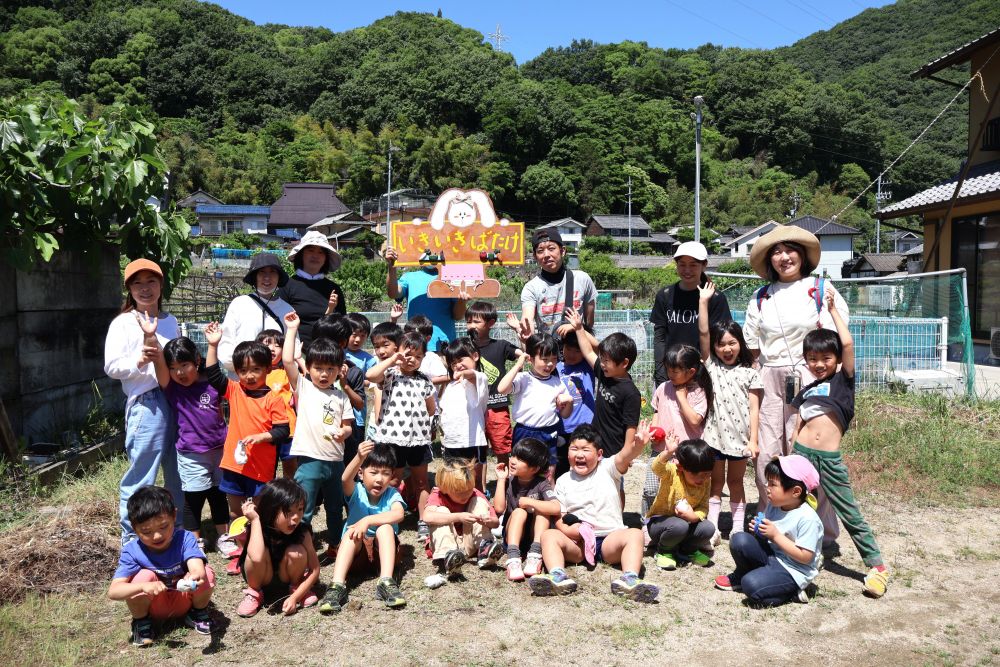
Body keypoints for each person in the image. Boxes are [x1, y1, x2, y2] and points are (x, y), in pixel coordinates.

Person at [742, 225, 849, 540]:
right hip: (770, 375)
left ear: (802, 255)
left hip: (810, 375)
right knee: (768, 452)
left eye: (789, 250)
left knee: (805, 452)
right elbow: (752, 342)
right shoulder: (761, 295)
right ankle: (771, 520)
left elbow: (837, 338)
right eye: (776, 252)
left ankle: (816, 529)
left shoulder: (820, 288)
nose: (783, 257)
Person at [791, 291, 891, 598]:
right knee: (795, 509)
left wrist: (833, 311)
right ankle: (795, 556)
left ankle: (877, 568)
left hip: (828, 459)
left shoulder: (843, 381)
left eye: (825, 358)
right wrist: (791, 456)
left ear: (836, 360)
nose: (819, 364)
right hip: (802, 456)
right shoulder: (807, 388)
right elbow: (799, 423)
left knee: (848, 511)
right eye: (813, 359)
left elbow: (847, 343)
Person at [527, 424, 658, 602]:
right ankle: (557, 576)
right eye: (574, 449)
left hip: (609, 540)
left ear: (599, 454)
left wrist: (639, 445)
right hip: (578, 543)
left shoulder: (608, 468)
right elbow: (559, 516)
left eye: (586, 450)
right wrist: (570, 531)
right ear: (568, 454)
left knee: (635, 534)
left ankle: (630, 579)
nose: (579, 454)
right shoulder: (563, 480)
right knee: (549, 535)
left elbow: (627, 455)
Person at [105, 259, 183, 544]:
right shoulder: (123, 323)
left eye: (151, 281)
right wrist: (139, 360)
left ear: (161, 286)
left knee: (178, 469)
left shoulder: (170, 321)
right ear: (129, 289)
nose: (145, 288)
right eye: (137, 283)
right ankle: (132, 536)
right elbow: (111, 366)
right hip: (147, 402)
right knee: (143, 473)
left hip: (176, 398)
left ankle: (177, 528)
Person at [204, 322, 290, 576]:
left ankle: (262, 550)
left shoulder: (273, 398)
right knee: (235, 510)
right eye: (243, 370)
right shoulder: (235, 390)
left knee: (259, 512)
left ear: (268, 368)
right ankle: (239, 551)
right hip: (234, 464)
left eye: (256, 369)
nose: (249, 375)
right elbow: (212, 374)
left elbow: (282, 431)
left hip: (260, 469)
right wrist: (213, 344)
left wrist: (263, 437)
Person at [137, 318, 229, 551]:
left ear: (197, 362)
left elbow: (212, 367)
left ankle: (224, 537)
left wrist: (213, 345)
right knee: (194, 499)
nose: (180, 372)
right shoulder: (173, 388)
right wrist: (150, 336)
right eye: (174, 368)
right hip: (191, 453)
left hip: (220, 449)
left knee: (219, 495)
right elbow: (158, 362)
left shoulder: (212, 382)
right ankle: (193, 541)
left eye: (185, 365)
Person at [282, 312, 354, 563]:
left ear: (338, 370)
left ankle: (335, 545)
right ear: (309, 368)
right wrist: (292, 329)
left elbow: (348, 428)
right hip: (309, 460)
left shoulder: (341, 397)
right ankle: (298, 546)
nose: (324, 374)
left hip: (335, 461)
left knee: (335, 507)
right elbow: (288, 361)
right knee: (304, 509)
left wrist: (343, 432)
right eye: (318, 368)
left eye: (330, 369)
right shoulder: (304, 388)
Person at [107, 486, 217, 646]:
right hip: (155, 606)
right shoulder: (132, 551)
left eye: (163, 527)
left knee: (207, 571)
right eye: (146, 531)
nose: (157, 536)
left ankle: (197, 612)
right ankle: (142, 623)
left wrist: (195, 575)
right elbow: (114, 592)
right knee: (143, 577)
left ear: (174, 515)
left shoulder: (185, 538)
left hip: (184, 598)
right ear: (134, 528)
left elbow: (196, 566)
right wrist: (143, 587)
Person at [697, 282, 763, 544]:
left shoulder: (750, 373)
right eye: (721, 344)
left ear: (740, 344)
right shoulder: (710, 368)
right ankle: (712, 528)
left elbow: (754, 409)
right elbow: (703, 333)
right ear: (714, 348)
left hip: (739, 439)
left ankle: (737, 527)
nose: (726, 349)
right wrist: (703, 302)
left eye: (732, 343)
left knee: (736, 483)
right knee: (715, 484)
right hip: (713, 436)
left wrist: (753, 439)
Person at [714, 456, 823, 607]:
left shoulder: (808, 519)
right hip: (773, 556)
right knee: (740, 540)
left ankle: (791, 591)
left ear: (796, 491)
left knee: (751, 586)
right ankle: (742, 574)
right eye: (767, 482)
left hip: (793, 569)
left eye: (773, 484)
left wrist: (775, 535)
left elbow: (805, 557)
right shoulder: (775, 504)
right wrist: (759, 531)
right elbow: (767, 537)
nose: (767, 487)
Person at [367, 331, 437, 542]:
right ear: (398, 352)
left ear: (423, 358)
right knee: (393, 479)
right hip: (392, 438)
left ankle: (423, 520)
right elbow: (370, 376)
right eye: (407, 354)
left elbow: (431, 408)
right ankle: (386, 516)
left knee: (421, 481)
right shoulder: (390, 374)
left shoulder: (425, 380)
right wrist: (391, 360)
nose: (411, 360)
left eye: (417, 356)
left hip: (418, 439)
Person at [321, 441, 407, 613]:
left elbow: (399, 514)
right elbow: (345, 478)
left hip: (383, 556)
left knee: (385, 528)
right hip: (356, 556)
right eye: (373, 472)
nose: (379, 479)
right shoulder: (356, 492)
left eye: (385, 474)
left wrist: (368, 520)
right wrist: (359, 457)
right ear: (361, 473)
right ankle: (337, 586)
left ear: (391, 477)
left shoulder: (392, 495)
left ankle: (386, 581)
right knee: (352, 533)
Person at [642, 344, 712, 517]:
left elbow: (695, 421)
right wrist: (654, 430)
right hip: (661, 450)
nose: (670, 375)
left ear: (691, 371)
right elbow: (657, 411)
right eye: (668, 370)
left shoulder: (699, 392)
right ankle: (647, 521)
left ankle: (679, 523)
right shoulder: (663, 388)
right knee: (650, 489)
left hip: (686, 455)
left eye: (675, 371)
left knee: (680, 493)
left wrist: (681, 397)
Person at [650, 241, 731, 388]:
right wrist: (662, 373)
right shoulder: (665, 295)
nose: (687, 270)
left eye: (693, 265)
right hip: (672, 371)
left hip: (703, 373)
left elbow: (721, 338)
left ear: (704, 265)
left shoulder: (716, 298)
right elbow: (659, 338)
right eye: (682, 264)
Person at [564, 309, 641, 460]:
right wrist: (579, 328)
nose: (603, 364)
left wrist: (625, 457)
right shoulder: (605, 373)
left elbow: (631, 428)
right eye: (602, 359)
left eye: (607, 360)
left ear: (624, 363)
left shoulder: (631, 393)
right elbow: (587, 352)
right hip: (595, 445)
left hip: (613, 452)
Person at [237, 478, 320, 617]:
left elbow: (315, 569)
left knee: (297, 552)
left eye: (300, 509)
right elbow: (256, 557)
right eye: (289, 511)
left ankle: (296, 587)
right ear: (271, 509)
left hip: (288, 577)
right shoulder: (258, 528)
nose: (296, 517)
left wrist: (296, 597)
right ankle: (255, 593)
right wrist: (255, 520)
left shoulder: (302, 532)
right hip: (261, 578)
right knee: (259, 551)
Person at [497, 333, 573, 480]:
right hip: (525, 432)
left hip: (549, 432)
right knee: (519, 473)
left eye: (554, 359)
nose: (550, 364)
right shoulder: (524, 378)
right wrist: (518, 365)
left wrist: (568, 402)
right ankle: (516, 501)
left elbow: (565, 414)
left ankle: (550, 501)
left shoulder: (557, 382)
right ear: (530, 359)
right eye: (544, 359)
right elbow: (502, 388)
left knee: (548, 474)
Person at [423, 458, 502, 585]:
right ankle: (448, 560)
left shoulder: (475, 494)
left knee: (479, 502)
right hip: (447, 544)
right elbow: (427, 517)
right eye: (460, 492)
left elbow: (496, 523)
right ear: (444, 489)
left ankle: (485, 549)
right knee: (441, 511)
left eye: (469, 489)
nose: (466, 494)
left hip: (469, 544)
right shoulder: (438, 495)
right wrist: (458, 517)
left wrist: (488, 521)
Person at [492, 438, 560, 582]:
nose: (513, 460)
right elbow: (498, 508)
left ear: (534, 469)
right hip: (512, 536)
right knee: (519, 512)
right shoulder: (510, 481)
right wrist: (501, 480)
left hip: (534, 536)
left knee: (543, 510)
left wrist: (531, 502)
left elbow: (556, 507)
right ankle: (513, 558)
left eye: (520, 459)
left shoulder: (541, 483)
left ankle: (535, 555)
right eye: (514, 455)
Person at [464, 301, 521, 466]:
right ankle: (480, 489)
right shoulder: (465, 347)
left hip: (497, 407)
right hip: (473, 407)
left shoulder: (501, 345)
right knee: (476, 452)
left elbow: (525, 354)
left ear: (491, 323)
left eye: (476, 321)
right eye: (468, 321)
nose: (471, 326)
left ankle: (504, 483)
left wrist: (518, 331)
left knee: (502, 449)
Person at [646, 438, 716, 570]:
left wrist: (694, 517)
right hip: (660, 524)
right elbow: (656, 467)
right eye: (696, 474)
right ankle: (664, 551)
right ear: (681, 467)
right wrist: (668, 452)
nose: (702, 478)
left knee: (708, 528)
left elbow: (703, 506)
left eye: (707, 474)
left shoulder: (706, 481)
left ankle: (687, 550)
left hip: (686, 524)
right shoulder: (672, 472)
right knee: (679, 525)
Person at [218, 253, 294, 373]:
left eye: (273, 272)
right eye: (262, 272)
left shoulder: (287, 310)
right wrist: (245, 370)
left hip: (276, 384)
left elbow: (293, 348)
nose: (267, 277)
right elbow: (226, 344)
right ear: (255, 277)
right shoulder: (239, 304)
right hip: (241, 380)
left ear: (279, 277)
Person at [384, 243, 465, 351]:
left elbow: (458, 316)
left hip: (445, 346)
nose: (431, 255)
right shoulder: (409, 277)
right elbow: (393, 293)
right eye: (427, 251)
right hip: (415, 346)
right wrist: (391, 266)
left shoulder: (451, 277)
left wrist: (462, 300)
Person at [519, 228, 596, 337]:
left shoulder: (582, 279)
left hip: (578, 348)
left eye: (551, 248)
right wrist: (525, 330)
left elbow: (589, 323)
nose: (546, 255)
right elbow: (527, 318)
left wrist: (577, 328)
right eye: (540, 251)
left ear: (562, 251)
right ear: (535, 257)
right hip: (549, 351)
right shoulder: (531, 288)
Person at [279, 231, 346, 347]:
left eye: (321, 252)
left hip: (327, 354)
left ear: (326, 258)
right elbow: (279, 323)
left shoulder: (333, 289)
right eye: (310, 250)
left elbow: (342, 323)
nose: (315, 255)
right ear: (301, 254)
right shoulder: (287, 286)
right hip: (295, 354)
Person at [439, 338, 490, 490]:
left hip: (472, 441)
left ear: (475, 356)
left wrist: (463, 372)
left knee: (474, 478)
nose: (457, 365)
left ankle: (479, 503)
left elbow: (471, 374)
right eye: (453, 362)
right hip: (451, 441)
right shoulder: (451, 386)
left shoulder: (479, 379)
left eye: (461, 359)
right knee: (454, 478)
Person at [554, 330, 597, 479]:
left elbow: (597, 347)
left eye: (578, 351)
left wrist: (578, 328)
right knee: (561, 469)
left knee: (584, 468)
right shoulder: (555, 368)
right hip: (561, 428)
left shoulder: (588, 366)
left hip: (584, 427)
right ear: (562, 348)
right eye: (569, 349)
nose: (572, 354)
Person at [256, 329, 298, 479]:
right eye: (267, 343)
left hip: (289, 428)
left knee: (290, 466)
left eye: (278, 345)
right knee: (267, 467)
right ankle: (269, 499)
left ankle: (291, 498)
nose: (272, 348)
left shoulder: (287, 370)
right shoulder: (255, 373)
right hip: (266, 429)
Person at [367, 322, 403, 437]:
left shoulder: (405, 369)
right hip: (380, 426)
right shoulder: (379, 369)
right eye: (376, 347)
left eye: (385, 345)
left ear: (397, 346)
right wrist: (379, 422)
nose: (381, 351)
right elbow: (378, 393)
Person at [404, 315, 450, 387]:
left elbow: (446, 377)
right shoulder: (402, 354)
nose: (413, 339)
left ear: (428, 338)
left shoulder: (430, 356)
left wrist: (423, 382)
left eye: (417, 336)